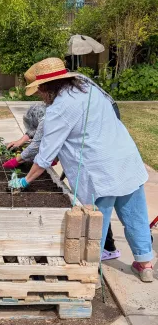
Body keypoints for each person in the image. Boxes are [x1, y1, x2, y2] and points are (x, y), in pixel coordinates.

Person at [8, 57, 155, 282]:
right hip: (126, 160)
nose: (39, 95)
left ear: (48, 88)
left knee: (94, 226)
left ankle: (90, 273)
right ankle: (145, 265)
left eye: (39, 90)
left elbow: (45, 155)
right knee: (135, 216)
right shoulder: (88, 87)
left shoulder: (59, 109)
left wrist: (25, 181)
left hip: (99, 172)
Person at [3, 82, 122, 262]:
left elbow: (40, 148)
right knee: (111, 203)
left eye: (40, 92)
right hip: (114, 162)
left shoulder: (54, 114)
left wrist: (21, 171)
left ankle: (105, 249)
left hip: (99, 166)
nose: (40, 96)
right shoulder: (62, 102)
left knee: (97, 205)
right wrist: (22, 143)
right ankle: (127, 249)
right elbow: (36, 136)